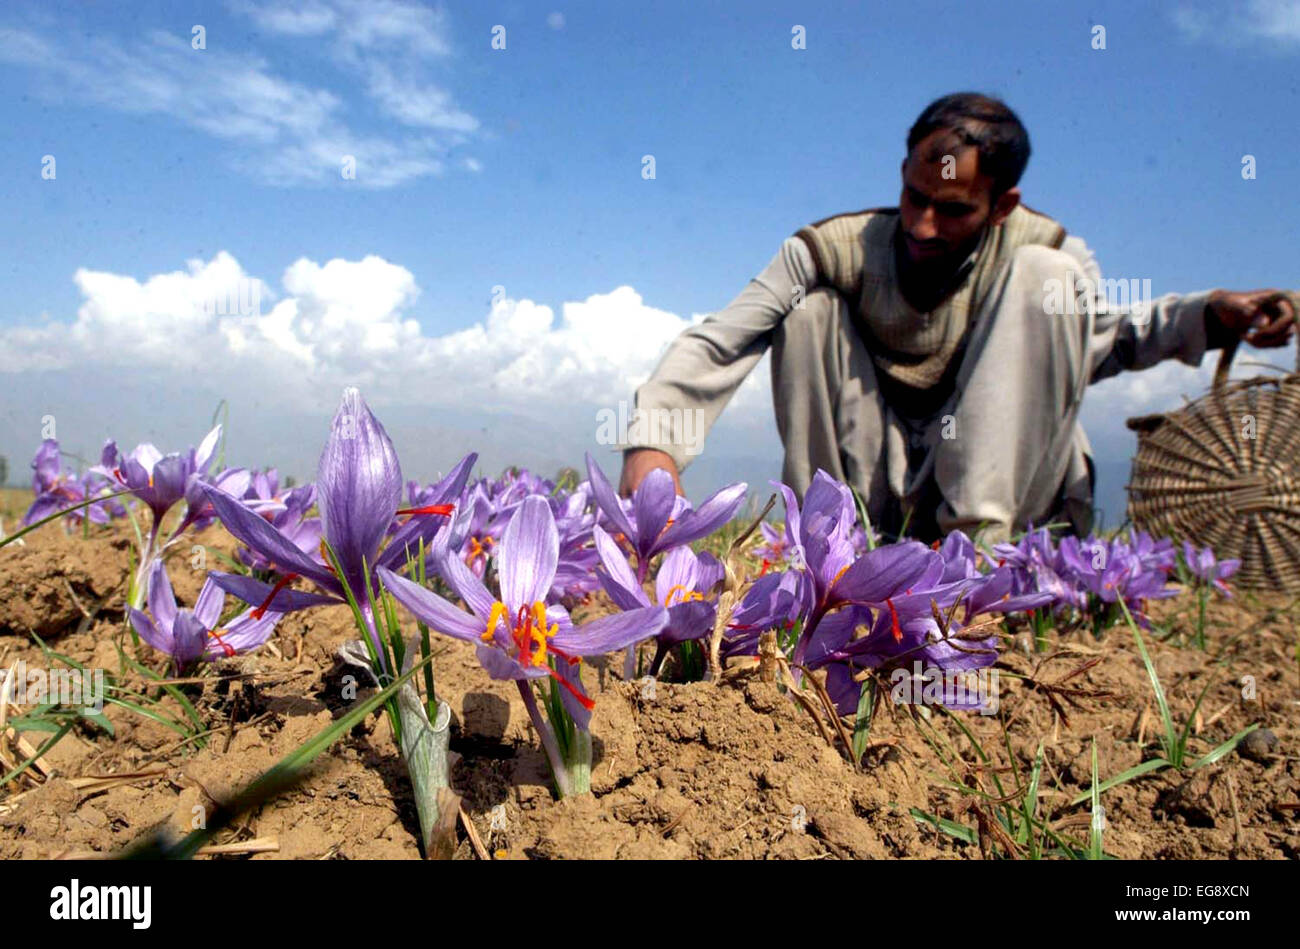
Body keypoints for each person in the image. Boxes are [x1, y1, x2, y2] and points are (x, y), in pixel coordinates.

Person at [619, 92, 1296, 543]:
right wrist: (655, 445)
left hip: (1004, 497)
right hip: (878, 484)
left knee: (1046, 283)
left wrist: (1209, 313)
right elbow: (720, 340)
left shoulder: (1045, 251)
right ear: (904, 170)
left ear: (1002, 206)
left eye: (953, 210)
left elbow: (1109, 339)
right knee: (808, 308)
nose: (921, 224)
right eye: (914, 196)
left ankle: (979, 570)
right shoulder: (836, 248)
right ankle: (828, 555)